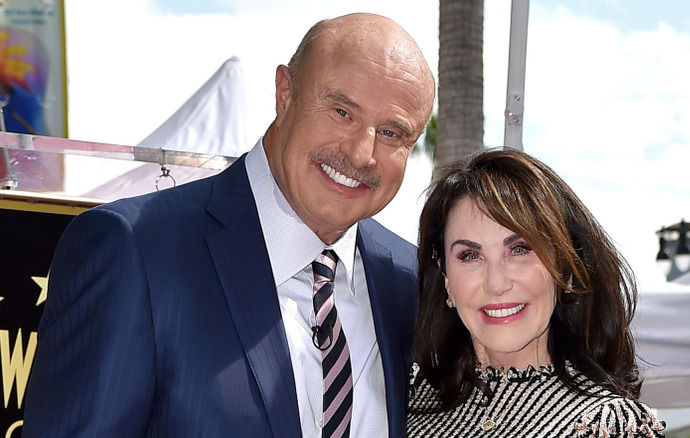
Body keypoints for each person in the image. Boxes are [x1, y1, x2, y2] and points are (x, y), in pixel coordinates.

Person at [23, 13, 435, 438]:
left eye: (391, 133)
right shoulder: (134, 251)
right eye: (341, 111)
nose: (362, 152)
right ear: (284, 92)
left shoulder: (412, 283)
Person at [407, 148, 666, 437]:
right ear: (444, 276)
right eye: (469, 256)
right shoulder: (409, 398)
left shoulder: (609, 426)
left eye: (519, 250)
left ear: (566, 265)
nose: (496, 283)